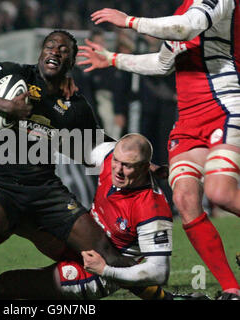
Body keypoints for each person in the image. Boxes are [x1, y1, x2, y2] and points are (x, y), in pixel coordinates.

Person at [0, 29, 143, 300]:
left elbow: (94, 146)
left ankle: (162, 295)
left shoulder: (73, 103)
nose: (55, 51)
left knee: (106, 253)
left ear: (71, 62)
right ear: (41, 52)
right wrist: (4, 106)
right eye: (50, 46)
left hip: (47, 192)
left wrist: (143, 163)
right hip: (2, 187)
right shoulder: (13, 74)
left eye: (63, 50)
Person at [77, 2, 240, 300]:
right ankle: (231, 288)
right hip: (189, 121)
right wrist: (113, 59)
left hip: (224, 108)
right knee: (185, 198)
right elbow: (164, 63)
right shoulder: (182, 8)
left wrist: (129, 21)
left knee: (220, 193)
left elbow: (187, 27)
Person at [0, 134, 208, 300]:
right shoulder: (111, 158)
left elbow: (159, 271)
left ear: (144, 168)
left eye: (128, 166)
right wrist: (45, 135)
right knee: (14, 214)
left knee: (5, 285)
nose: (117, 170)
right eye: (117, 161)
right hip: (82, 238)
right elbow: (75, 143)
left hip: (99, 271)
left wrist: (105, 270)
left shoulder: (152, 208)